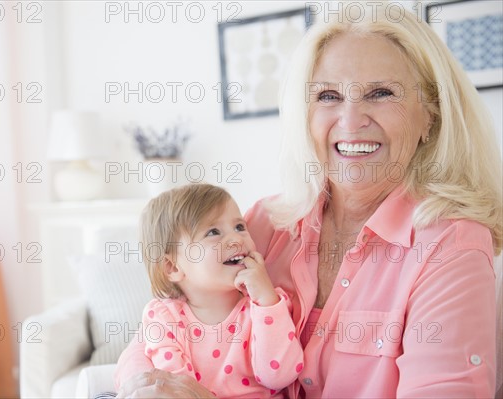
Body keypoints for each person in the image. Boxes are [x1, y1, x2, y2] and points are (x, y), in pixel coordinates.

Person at [114, 2, 502, 397]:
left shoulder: (451, 246)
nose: (351, 122)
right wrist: (145, 388)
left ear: (430, 116)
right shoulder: (265, 222)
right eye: (329, 95)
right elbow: (158, 331)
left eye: (381, 93)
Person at [125, 183, 303, 398]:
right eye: (213, 232)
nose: (237, 239)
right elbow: (178, 391)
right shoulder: (164, 318)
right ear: (173, 267)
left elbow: (279, 376)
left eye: (239, 227)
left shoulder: (267, 305)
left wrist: (266, 301)